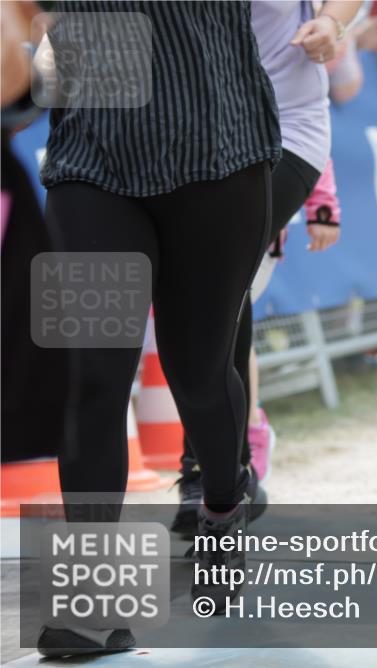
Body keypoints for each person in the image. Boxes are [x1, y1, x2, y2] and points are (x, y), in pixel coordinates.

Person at [36, 1, 281, 656]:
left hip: (217, 146)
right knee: (90, 377)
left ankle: (223, 503)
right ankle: (90, 602)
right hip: (92, 155)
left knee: (197, 372)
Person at [169, 0, 360, 539]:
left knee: (216, 277)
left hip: (286, 131)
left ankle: (210, 474)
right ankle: (225, 470)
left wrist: (331, 22)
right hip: (197, 137)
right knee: (217, 289)